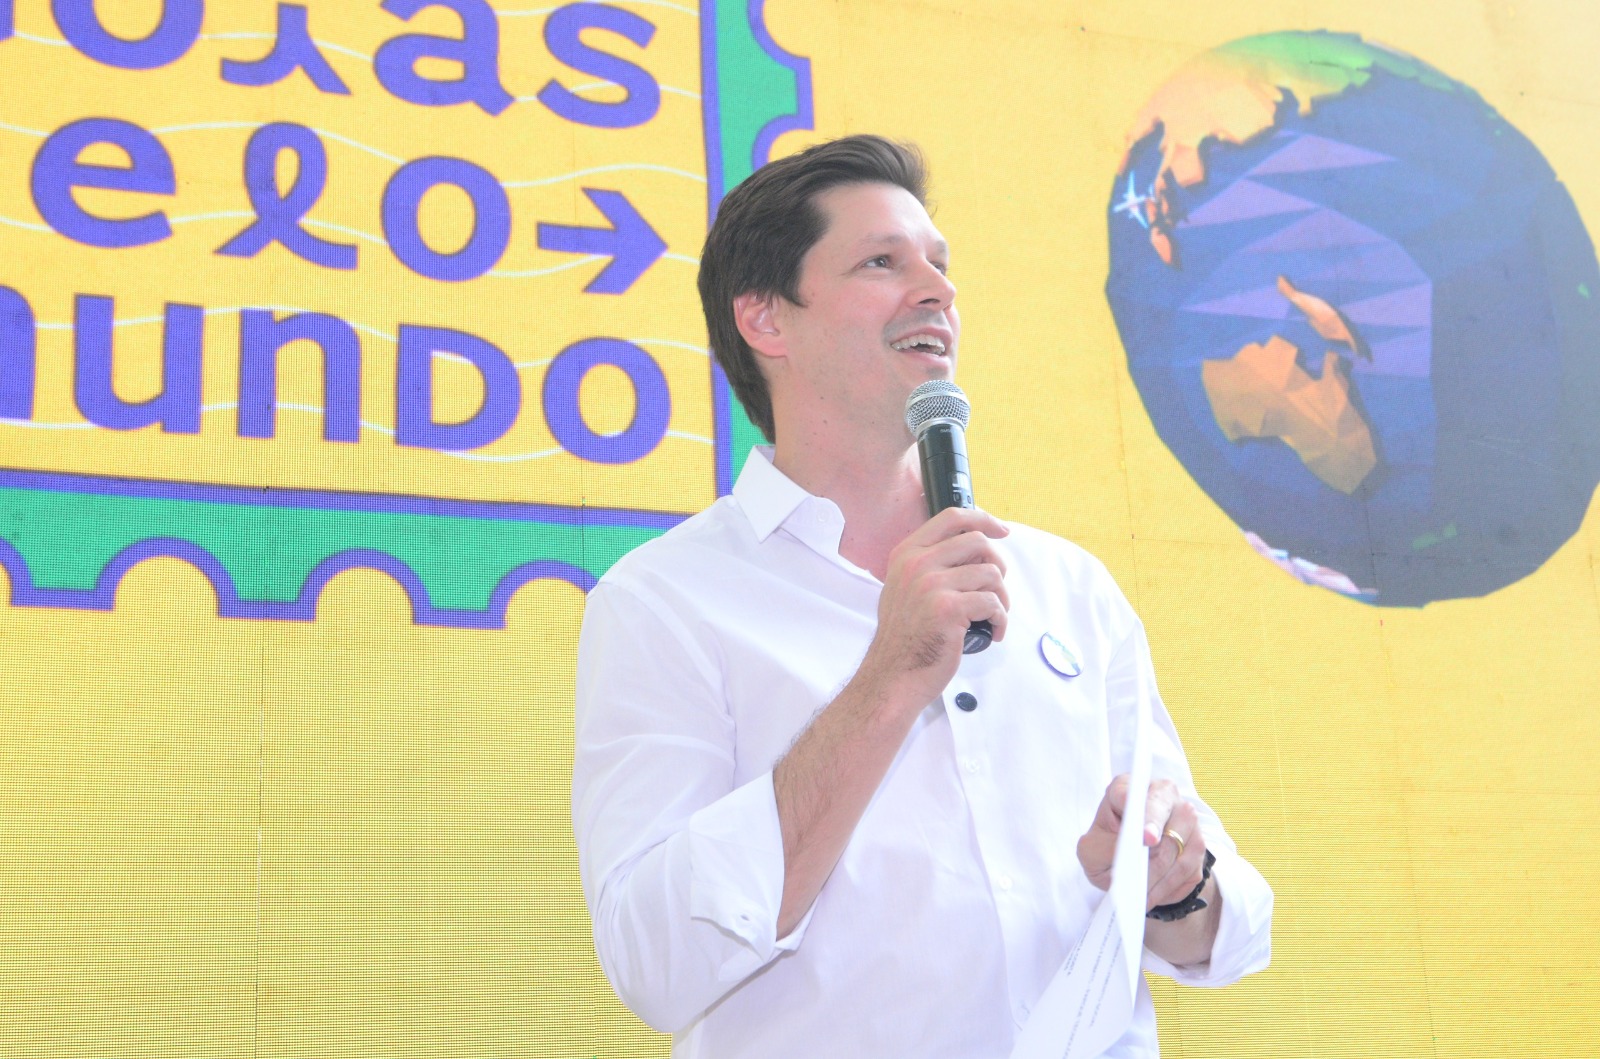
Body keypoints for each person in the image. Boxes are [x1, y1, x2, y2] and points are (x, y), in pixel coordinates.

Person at [571, 135, 1272, 1057]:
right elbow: (653, 960)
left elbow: (1222, 932)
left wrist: (1173, 882)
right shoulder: (665, 600)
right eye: (882, 262)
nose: (937, 290)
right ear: (765, 319)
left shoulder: (1067, 585)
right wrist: (890, 675)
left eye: (939, 263)